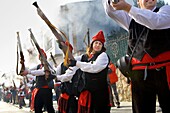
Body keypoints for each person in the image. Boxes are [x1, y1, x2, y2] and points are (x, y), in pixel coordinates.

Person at [103, 0, 170, 113]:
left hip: (165, 72)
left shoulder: (166, 11)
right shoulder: (131, 17)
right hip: (140, 74)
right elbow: (111, 11)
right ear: (138, 1)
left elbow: (155, 22)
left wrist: (128, 8)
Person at [69, 30, 111, 113]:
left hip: (100, 92)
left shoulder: (103, 56)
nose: (97, 45)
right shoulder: (86, 56)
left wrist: (77, 63)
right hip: (89, 92)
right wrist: (66, 50)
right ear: (92, 44)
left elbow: (94, 68)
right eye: (96, 43)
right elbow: (73, 60)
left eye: (100, 44)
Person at [21, 48, 55, 113]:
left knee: (49, 108)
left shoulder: (48, 66)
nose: (42, 59)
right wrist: (23, 65)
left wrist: (28, 72)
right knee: (37, 108)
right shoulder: (38, 66)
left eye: (43, 57)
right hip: (39, 90)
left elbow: (41, 72)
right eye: (41, 58)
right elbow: (30, 70)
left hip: (47, 90)